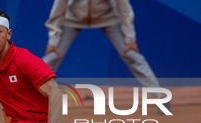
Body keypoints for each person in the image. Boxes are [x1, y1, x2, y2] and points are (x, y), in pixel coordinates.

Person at [42, 0, 171, 114]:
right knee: (54, 56)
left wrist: (130, 38)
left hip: (108, 18)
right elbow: (58, 9)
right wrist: (53, 41)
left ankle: (160, 96)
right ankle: (24, 95)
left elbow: (124, 9)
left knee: (130, 54)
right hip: (72, 19)